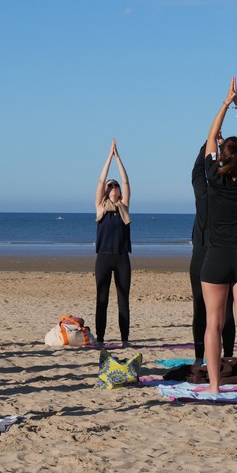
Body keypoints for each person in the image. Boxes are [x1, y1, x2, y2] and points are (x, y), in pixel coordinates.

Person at [201, 77, 237, 394]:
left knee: (214, 324)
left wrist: (225, 103)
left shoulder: (213, 176)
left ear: (223, 157)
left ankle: (214, 386)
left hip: (216, 257)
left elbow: (210, 137)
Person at [190, 140, 236, 366]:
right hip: (223, 253)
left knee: (201, 307)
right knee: (226, 308)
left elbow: (197, 169)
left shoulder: (203, 193)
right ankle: (227, 356)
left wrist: (208, 143)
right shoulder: (229, 192)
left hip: (203, 253)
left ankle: (200, 357)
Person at [95, 139, 131, 346]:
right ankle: (100, 339)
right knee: (102, 300)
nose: (114, 186)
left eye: (115, 185)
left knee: (123, 300)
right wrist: (109, 156)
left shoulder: (124, 207)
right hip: (104, 257)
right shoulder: (100, 207)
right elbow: (100, 182)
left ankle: (125, 339)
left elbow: (126, 182)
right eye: (111, 185)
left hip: (122, 257)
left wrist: (119, 159)